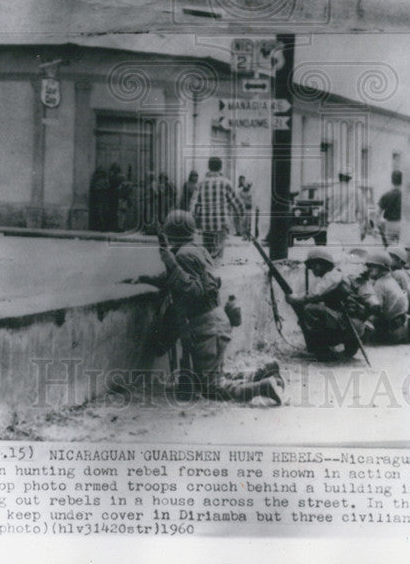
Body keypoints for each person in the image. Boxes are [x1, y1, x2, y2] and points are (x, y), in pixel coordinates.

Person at [138, 211, 283, 404]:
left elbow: (192, 289)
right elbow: (187, 280)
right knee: (214, 375)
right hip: (215, 320)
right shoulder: (197, 250)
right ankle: (264, 371)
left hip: (205, 326)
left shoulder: (182, 255)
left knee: (211, 388)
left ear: (172, 232)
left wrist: (169, 261)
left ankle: (261, 387)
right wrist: (146, 279)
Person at [284, 249, 366, 361]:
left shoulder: (332, 276)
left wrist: (295, 299)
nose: (313, 269)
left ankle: (322, 351)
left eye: (315, 265)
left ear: (325, 264)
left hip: (349, 323)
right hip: (351, 322)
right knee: (316, 308)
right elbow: (316, 293)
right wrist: (297, 296)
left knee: (310, 309)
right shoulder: (335, 275)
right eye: (311, 266)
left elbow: (314, 294)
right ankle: (339, 347)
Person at [190, 156, 247, 260]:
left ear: (209, 167)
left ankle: (208, 272)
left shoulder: (201, 184)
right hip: (221, 225)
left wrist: (193, 221)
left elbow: (193, 205)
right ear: (220, 167)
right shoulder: (226, 183)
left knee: (207, 254)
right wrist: (243, 218)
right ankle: (215, 271)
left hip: (206, 225)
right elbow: (238, 203)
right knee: (217, 257)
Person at [377, 170, 403, 245]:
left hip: (390, 224)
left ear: (392, 180)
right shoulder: (406, 196)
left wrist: (379, 226)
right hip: (402, 224)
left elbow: (378, 213)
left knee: (390, 248)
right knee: (401, 248)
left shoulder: (386, 195)